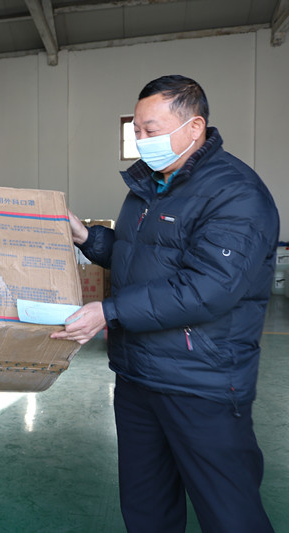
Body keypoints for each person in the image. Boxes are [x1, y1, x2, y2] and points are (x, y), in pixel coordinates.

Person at [51, 75, 278, 532]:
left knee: (230, 514)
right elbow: (141, 258)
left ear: (194, 128)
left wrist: (109, 312)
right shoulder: (149, 186)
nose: (141, 139)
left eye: (150, 130)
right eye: (136, 130)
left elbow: (207, 288)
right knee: (146, 507)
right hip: (138, 376)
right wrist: (86, 238)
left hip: (201, 381)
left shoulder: (236, 193)